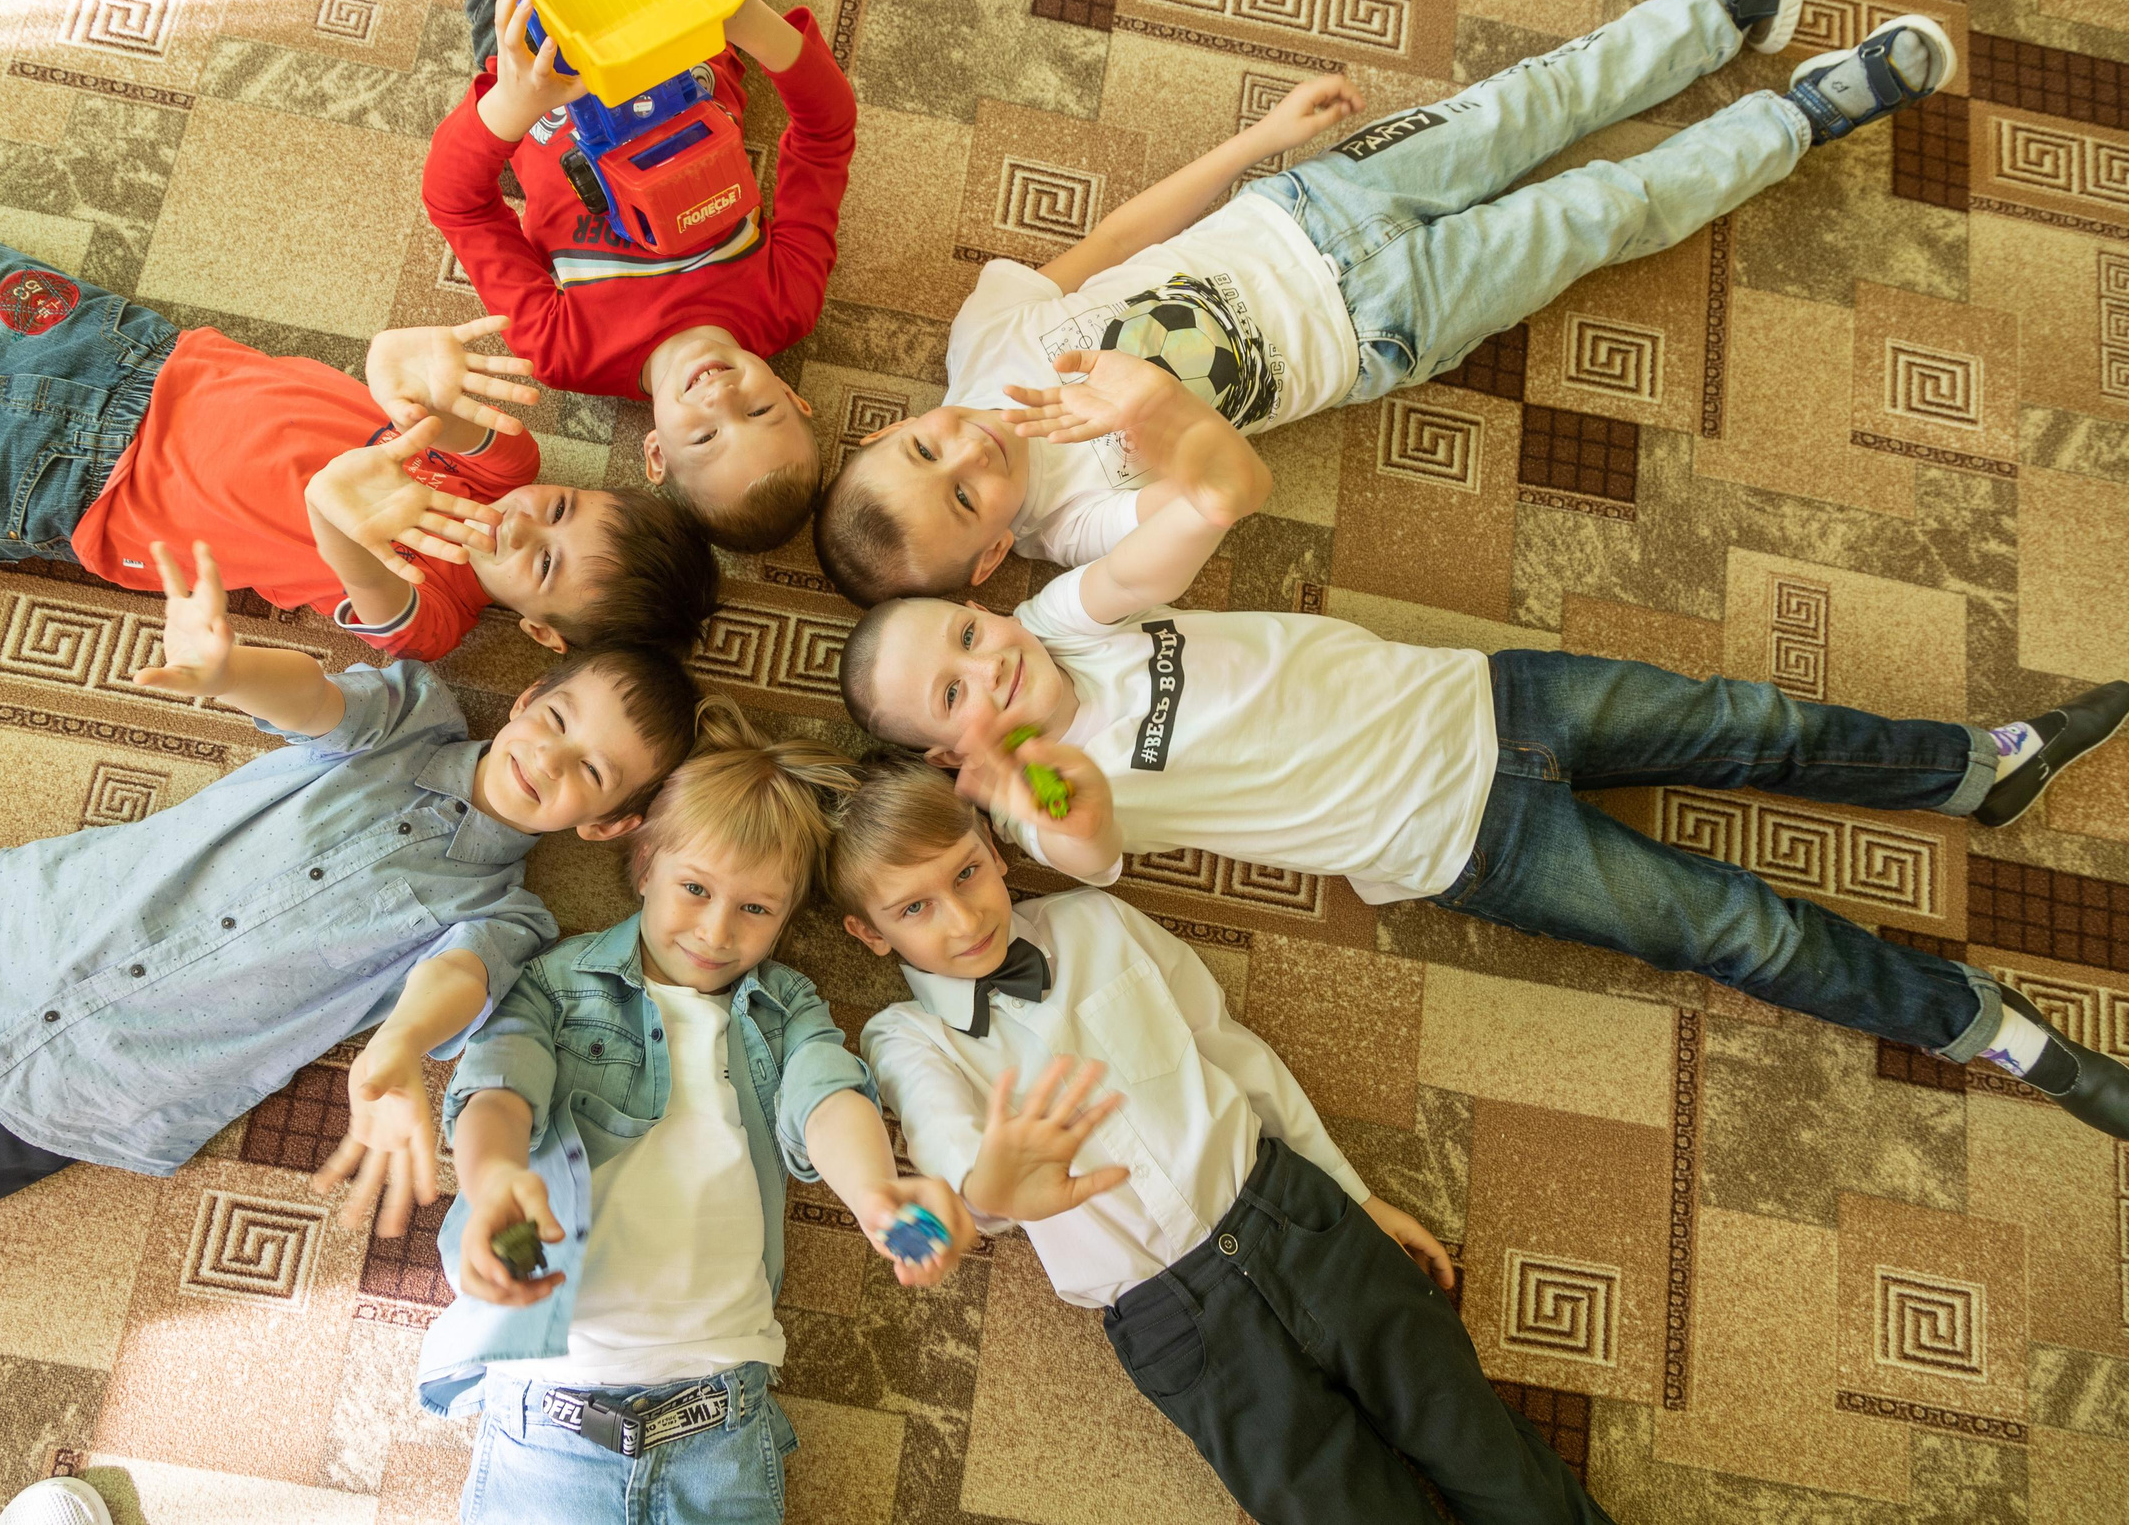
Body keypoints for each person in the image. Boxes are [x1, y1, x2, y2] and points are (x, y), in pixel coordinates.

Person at [0, 542, 707, 1376]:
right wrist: (229, 669)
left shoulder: (505, 916)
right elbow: (315, 701)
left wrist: (398, 1054)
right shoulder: (412, 717)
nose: (551, 763)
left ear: (605, 825)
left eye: (591, 776)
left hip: (66, 1101)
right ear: (528, 697)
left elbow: (451, 983)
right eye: (558, 724)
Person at [836, 404, 2129, 1138]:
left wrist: (1161, 422)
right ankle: (1979, 1025)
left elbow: (1203, 511)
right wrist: (1039, 781)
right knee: (1732, 925)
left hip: (1497, 697)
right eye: (952, 693)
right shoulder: (1039, 804)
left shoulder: (1064, 616)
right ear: (950, 753)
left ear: (991, 606)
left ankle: (1979, 768)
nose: (985, 668)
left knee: (1753, 723)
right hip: (1470, 841)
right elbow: (1094, 845)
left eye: (966, 635)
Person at [813, 0, 1952, 604]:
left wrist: (1256, 142)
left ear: (892, 425)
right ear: (992, 557)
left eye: (924, 448)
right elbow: (1221, 485)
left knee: (1531, 102)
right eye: (964, 498)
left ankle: (1720, 10)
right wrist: (1146, 409)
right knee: (1603, 211)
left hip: (1309, 206)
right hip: (1384, 325)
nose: (969, 453)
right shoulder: (1078, 529)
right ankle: (1797, 120)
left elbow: (1113, 243)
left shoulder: (984, 341)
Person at [0, 0, 718, 660]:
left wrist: (343, 509)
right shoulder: (503, 462)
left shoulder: (444, 614)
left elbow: (359, 568)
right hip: (117, 352)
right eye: (562, 510)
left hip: (58, 486)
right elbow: (416, 390)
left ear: (542, 632)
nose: (524, 525)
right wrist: (396, 358)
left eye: (545, 566)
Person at [830, 756, 1615, 1524]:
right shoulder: (904, 1036)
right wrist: (986, 1191)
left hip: (1293, 1216)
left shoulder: (1095, 920)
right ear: (869, 933)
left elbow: (1235, 1053)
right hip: (1180, 1326)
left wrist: (1355, 1193)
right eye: (915, 907)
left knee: (1486, 1451)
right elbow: (945, 1146)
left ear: (995, 850)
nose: (963, 918)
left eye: (967, 872)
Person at [415, 704, 973, 1523]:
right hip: (547, 1410)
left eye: (756, 909)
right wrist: (493, 1175)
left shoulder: (783, 1005)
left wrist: (875, 1192)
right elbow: (500, 1084)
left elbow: (827, 1092)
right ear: (645, 862)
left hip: (720, 1427)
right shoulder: (556, 980)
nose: (716, 930)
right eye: (695, 889)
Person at [420, 0, 855, 553]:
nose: (722, 397)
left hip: (538, 45)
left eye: (705, 437)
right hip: (684, 8)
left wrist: (514, 105)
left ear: (656, 453)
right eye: (760, 412)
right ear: (792, 394)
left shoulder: (568, 352)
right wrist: (748, 20)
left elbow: (457, 204)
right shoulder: (785, 302)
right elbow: (827, 134)